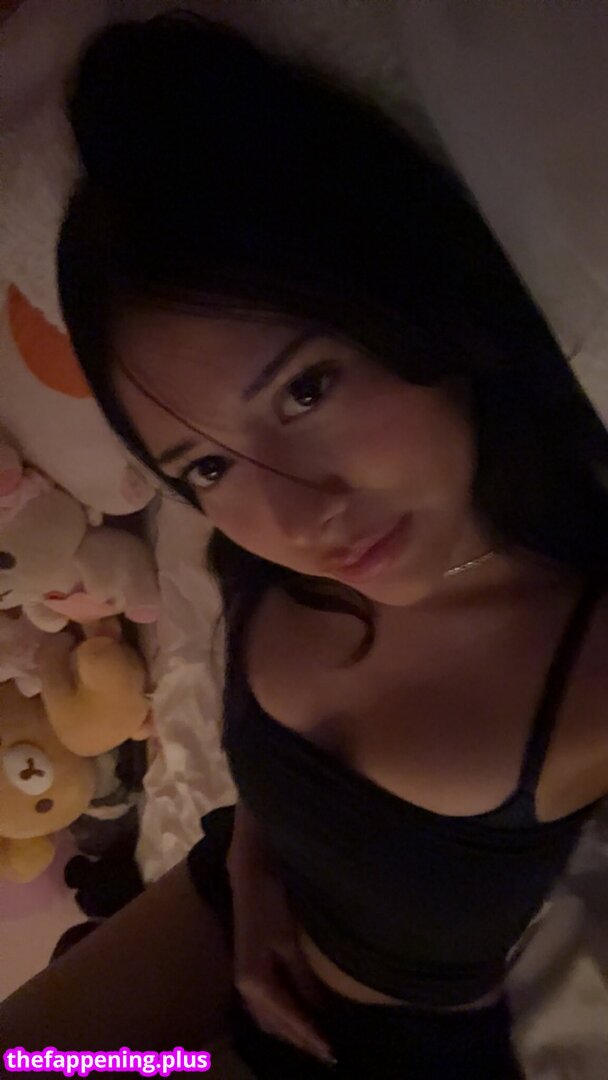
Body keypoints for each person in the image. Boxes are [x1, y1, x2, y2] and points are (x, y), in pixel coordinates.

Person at [2, 13, 608, 1078]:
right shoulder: (263, 558)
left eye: (306, 389)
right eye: (205, 467)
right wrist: (250, 868)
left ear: (406, 297)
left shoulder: (585, 649)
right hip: (231, 898)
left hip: (380, 1050)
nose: (293, 514)